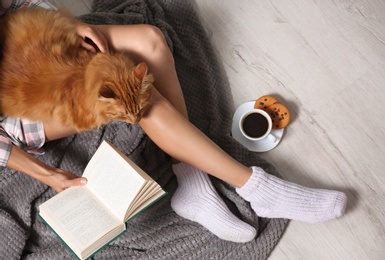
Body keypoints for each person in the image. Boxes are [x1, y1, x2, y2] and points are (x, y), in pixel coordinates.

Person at [0, 0, 347, 243]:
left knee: (150, 39)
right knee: (144, 101)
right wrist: (45, 174)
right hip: (15, 106)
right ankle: (257, 189)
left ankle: (192, 180)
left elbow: (15, 4)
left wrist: (69, 26)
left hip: (34, 42)